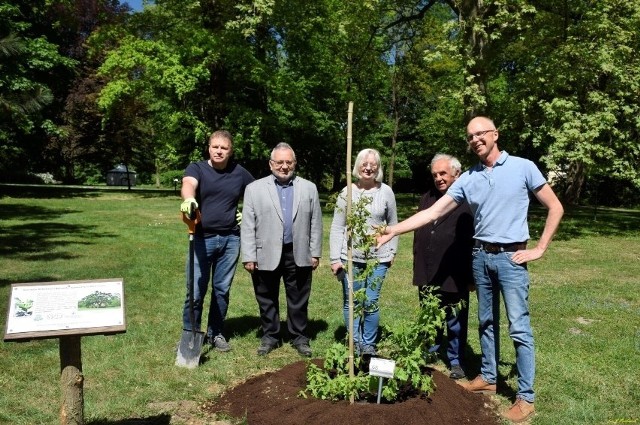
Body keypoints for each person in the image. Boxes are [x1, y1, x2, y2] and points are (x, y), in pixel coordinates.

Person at [377, 116, 563, 423]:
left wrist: (540, 248)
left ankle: (526, 397)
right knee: (486, 322)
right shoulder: (469, 178)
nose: (475, 139)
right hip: (480, 257)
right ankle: (488, 378)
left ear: (494, 134)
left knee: (518, 326)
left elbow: (555, 207)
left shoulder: (523, 167)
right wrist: (393, 230)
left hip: (511, 258)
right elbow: (433, 212)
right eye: (470, 136)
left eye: (480, 134)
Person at [241, 142, 323, 357]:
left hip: (298, 251)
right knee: (266, 297)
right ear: (271, 164)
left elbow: (316, 222)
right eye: (279, 162)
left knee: (298, 298)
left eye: (288, 162)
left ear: (294, 163)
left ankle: (299, 337)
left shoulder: (309, 188)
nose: (284, 166)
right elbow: (248, 224)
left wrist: (315, 252)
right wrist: (249, 255)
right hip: (264, 252)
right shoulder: (254, 189)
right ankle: (271, 336)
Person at [179, 130, 254, 352]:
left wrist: (245, 212)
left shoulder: (239, 173)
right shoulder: (198, 168)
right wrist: (190, 199)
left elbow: (257, 192)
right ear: (209, 148)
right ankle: (189, 334)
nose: (219, 151)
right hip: (202, 238)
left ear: (231, 151)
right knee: (195, 290)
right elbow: (188, 184)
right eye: (215, 146)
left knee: (221, 289)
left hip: (230, 240)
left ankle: (216, 333)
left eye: (224, 148)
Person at [329, 148, 398, 356]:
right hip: (351, 256)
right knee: (352, 300)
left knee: (370, 300)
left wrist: (392, 252)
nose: (368, 167)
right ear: (357, 166)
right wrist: (335, 258)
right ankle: (355, 342)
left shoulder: (386, 192)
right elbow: (337, 227)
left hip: (379, 256)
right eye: (364, 163)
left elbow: (393, 224)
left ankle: (368, 344)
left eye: (373, 164)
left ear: (378, 168)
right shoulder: (347, 192)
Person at [414, 153, 474, 380]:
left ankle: (456, 360)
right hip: (428, 269)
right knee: (430, 312)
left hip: (456, 271)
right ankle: (431, 349)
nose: (438, 178)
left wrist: (471, 277)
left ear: (456, 174)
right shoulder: (427, 198)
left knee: (455, 318)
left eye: (443, 174)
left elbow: (472, 240)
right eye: (435, 175)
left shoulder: (467, 201)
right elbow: (420, 235)